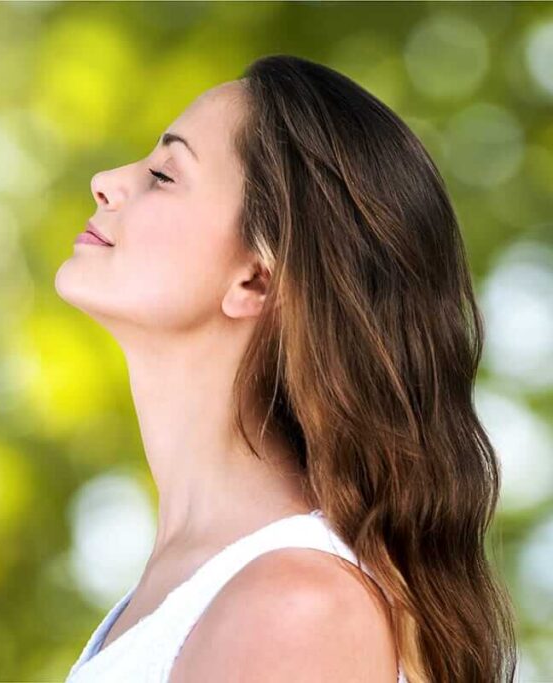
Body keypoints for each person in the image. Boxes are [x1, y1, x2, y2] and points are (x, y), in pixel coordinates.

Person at [55, 54, 517, 683]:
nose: (106, 181)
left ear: (256, 279)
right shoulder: (205, 592)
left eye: (164, 175)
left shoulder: (297, 608)